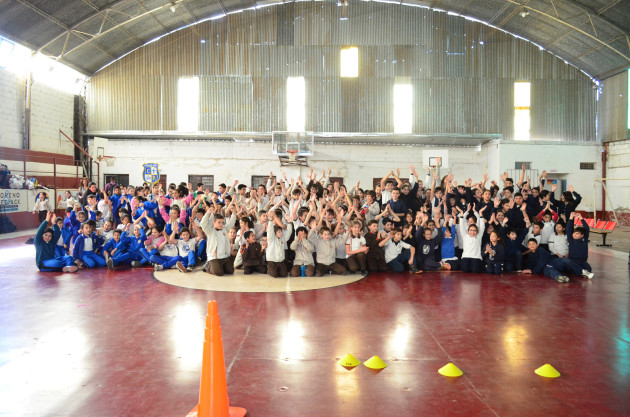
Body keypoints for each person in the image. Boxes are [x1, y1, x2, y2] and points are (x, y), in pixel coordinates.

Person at [200, 205, 237, 276]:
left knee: (230, 271)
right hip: (214, 257)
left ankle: (219, 266)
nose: (221, 224)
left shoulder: (224, 229)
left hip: (224, 256)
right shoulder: (210, 230)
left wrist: (234, 213)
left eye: (222, 222)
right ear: (214, 223)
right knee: (219, 273)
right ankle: (207, 266)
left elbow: (231, 223)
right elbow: (203, 224)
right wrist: (207, 214)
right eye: (219, 222)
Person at [458, 204, 486, 273]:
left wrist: (480, 214)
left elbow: (482, 227)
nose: (472, 232)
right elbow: (461, 226)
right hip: (466, 256)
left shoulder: (479, 236)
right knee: (465, 270)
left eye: (474, 230)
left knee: (475, 271)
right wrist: (462, 215)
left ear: (477, 231)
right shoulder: (465, 236)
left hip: (476, 257)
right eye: (471, 230)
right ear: (468, 231)